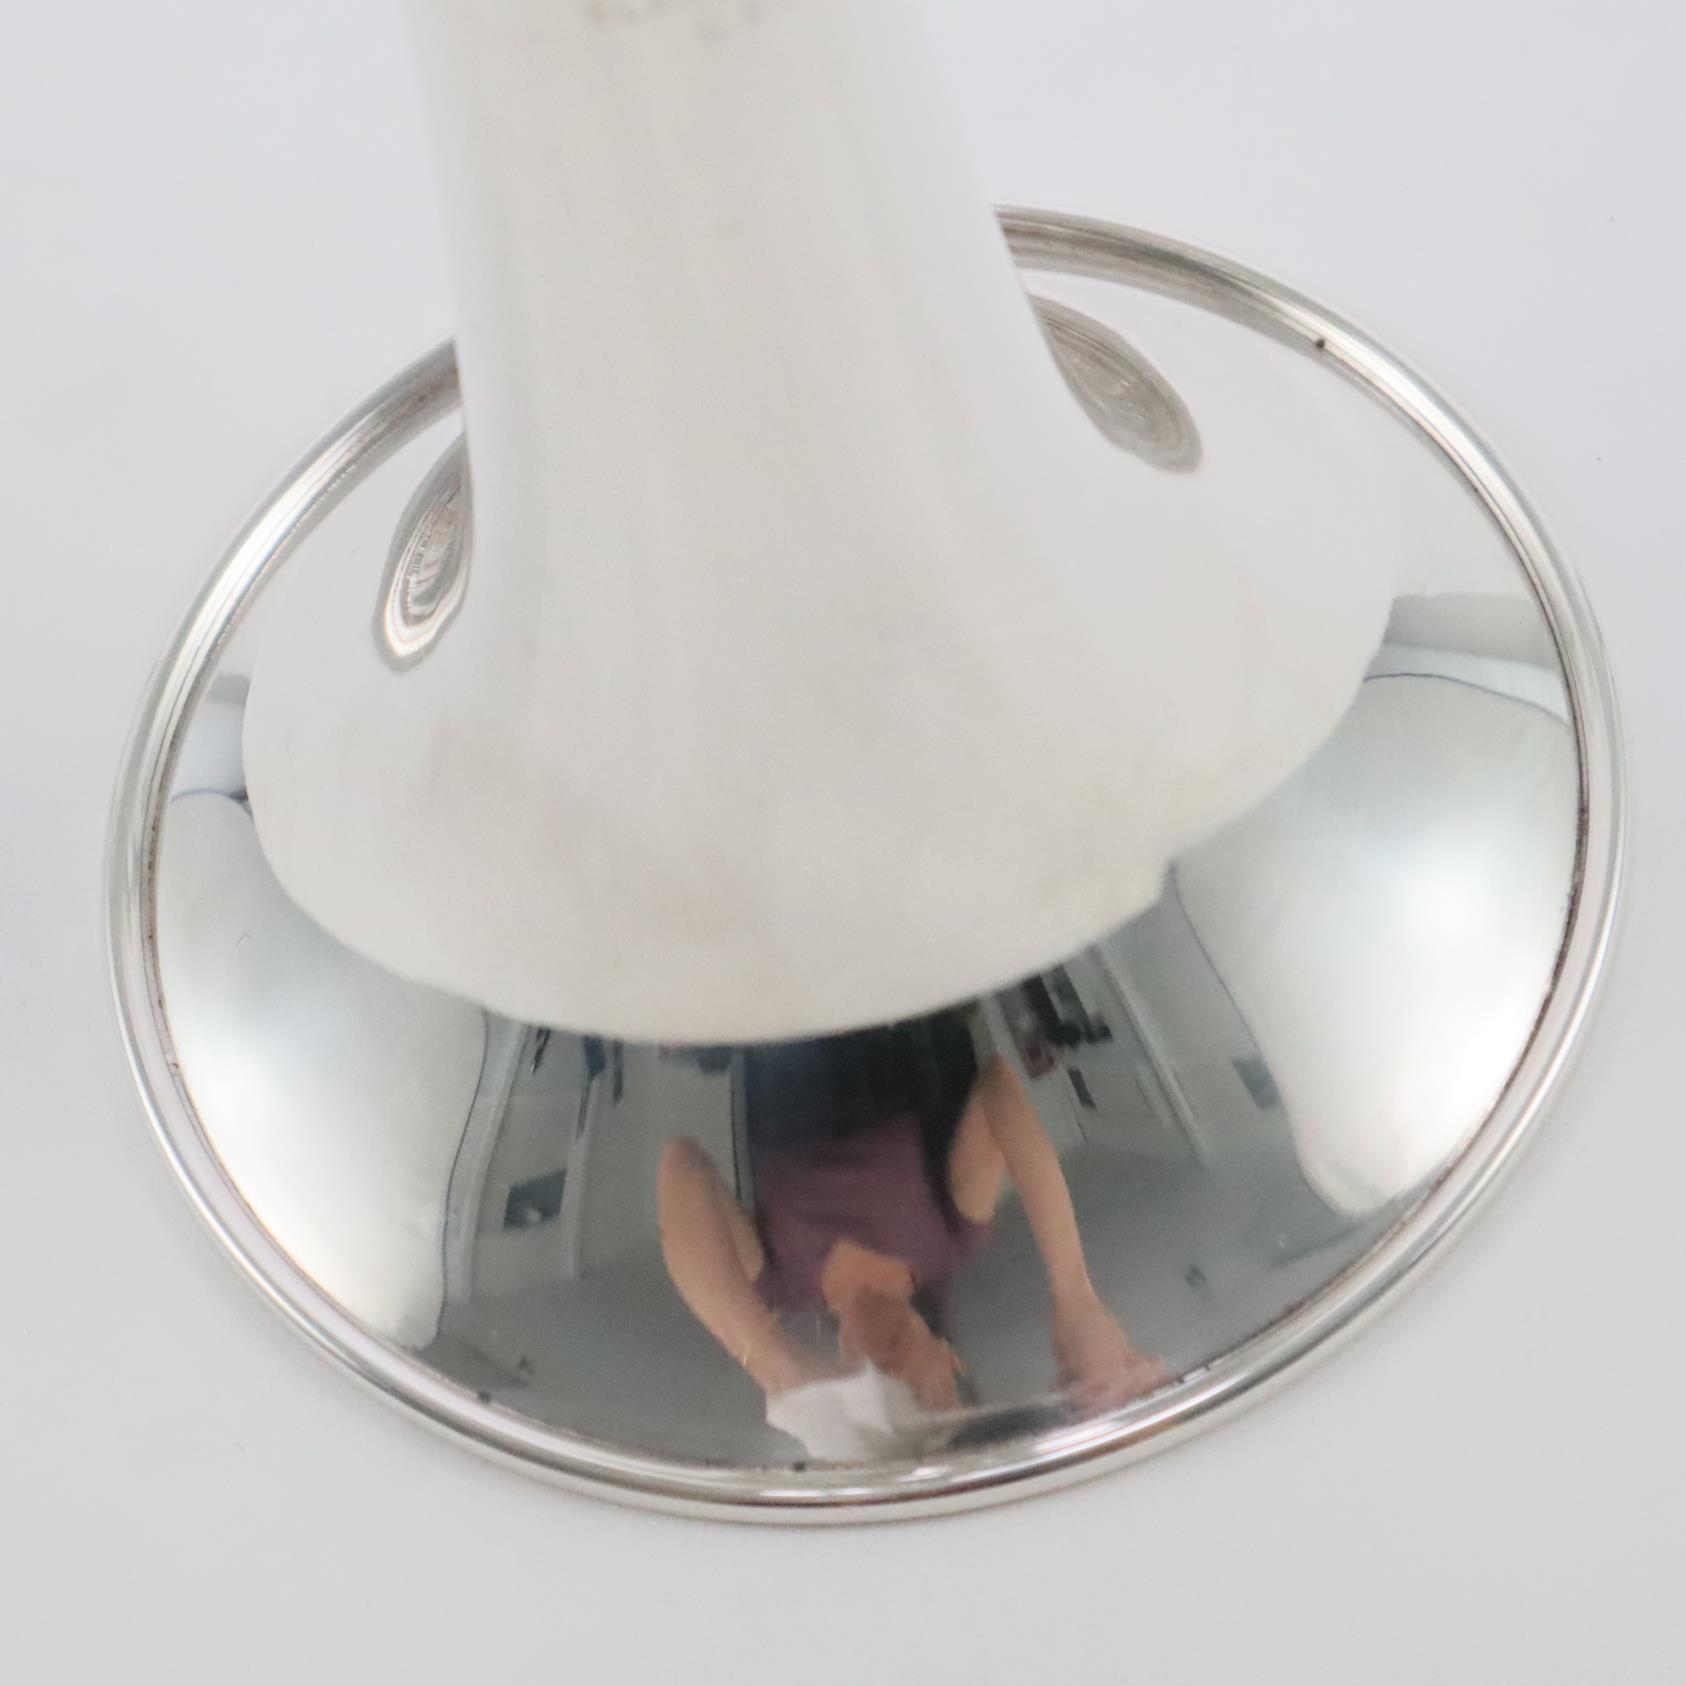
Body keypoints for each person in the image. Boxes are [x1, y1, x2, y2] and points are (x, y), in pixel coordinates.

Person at [657, 1013, 1168, 1439]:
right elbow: (999, 1090)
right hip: (893, 985)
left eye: (894, 1412)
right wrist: (1075, 1296)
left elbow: (680, 1169)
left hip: (771, 1008)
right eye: (937, 1399)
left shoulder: (777, 1284)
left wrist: (774, 1366)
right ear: (950, 1359)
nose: (904, 1391)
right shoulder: (950, 1240)